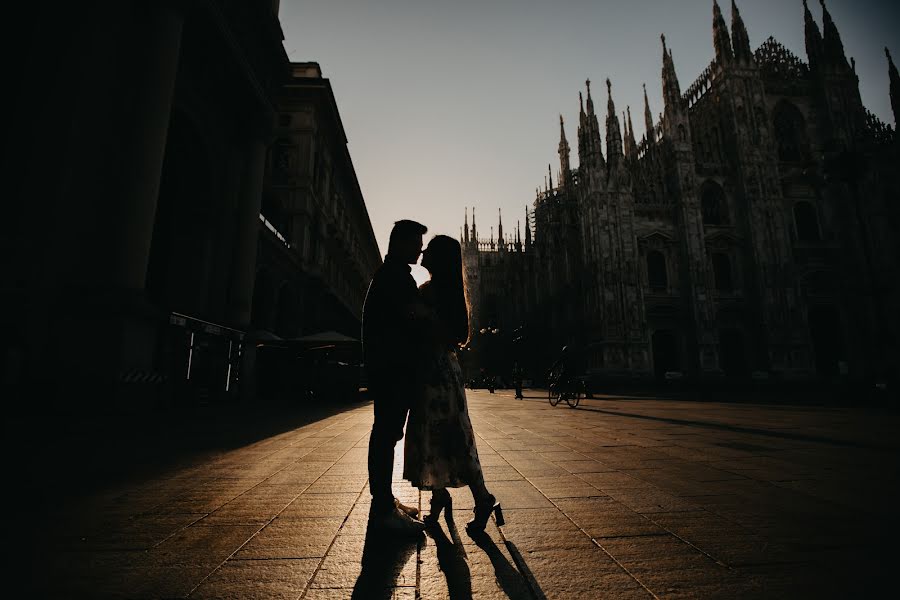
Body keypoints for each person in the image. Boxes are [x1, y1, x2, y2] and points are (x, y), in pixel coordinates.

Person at [403, 235, 504, 534]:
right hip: (431, 373)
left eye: (430, 250)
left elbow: (456, 335)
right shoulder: (431, 291)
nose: (423, 252)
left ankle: (483, 499)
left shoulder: (440, 295)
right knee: (429, 436)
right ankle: (439, 497)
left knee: (454, 437)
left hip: (441, 376)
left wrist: (425, 317)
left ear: (442, 258)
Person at [361, 220, 428, 534]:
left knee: (386, 434)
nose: (420, 248)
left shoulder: (390, 274)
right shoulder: (396, 277)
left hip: (388, 368)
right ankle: (383, 511)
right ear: (400, 243)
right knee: (386, 435)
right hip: (393, 370)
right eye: (416, 242)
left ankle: (386, 501)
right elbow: (412, 318)